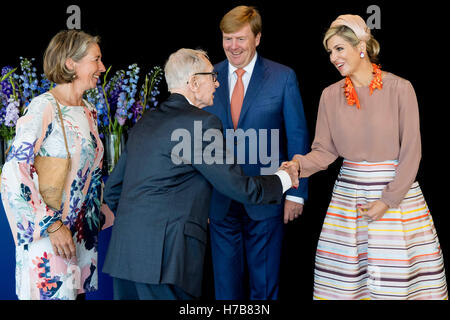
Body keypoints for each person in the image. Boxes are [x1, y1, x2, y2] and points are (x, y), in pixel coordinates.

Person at [102, 48, 300, 300]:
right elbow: (239, 187)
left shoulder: (146, 121)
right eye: (212, 76)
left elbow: (114, 189)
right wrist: (284, 177)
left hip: (125, 257)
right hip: (165, 262)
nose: (217, 83)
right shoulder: (201, 123)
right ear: (194, 82)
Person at [289, 14, 448, 300]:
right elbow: (325, 151)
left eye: (339, 49)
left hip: (397, 200)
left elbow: (412, 152)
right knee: (346, 285)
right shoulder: (329, 95)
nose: (333, 57)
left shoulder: (401, 89)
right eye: (329, 51)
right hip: (349, 201)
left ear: (361, 46)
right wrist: (299, 164)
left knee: (396, 284)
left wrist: (388, 200)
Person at [203, 5, 309, 300]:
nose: (233, 46)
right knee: (225, 288)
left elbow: (297, 136)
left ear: (257, 39)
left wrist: (297, 193)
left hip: (267, 196)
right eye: (227, 38)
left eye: (240, 38)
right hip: (220, 200)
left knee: (264, 287)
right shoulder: (208, 75)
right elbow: (199, 141)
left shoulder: (282, 77)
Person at [0, 30, 106, 300]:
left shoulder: (89, 110)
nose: (102, 68)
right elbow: (13, 172)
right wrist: (52, 224)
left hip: (76, 243)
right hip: (49, 239)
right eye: (96, 60)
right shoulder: (43, 107)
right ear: (71, 63)